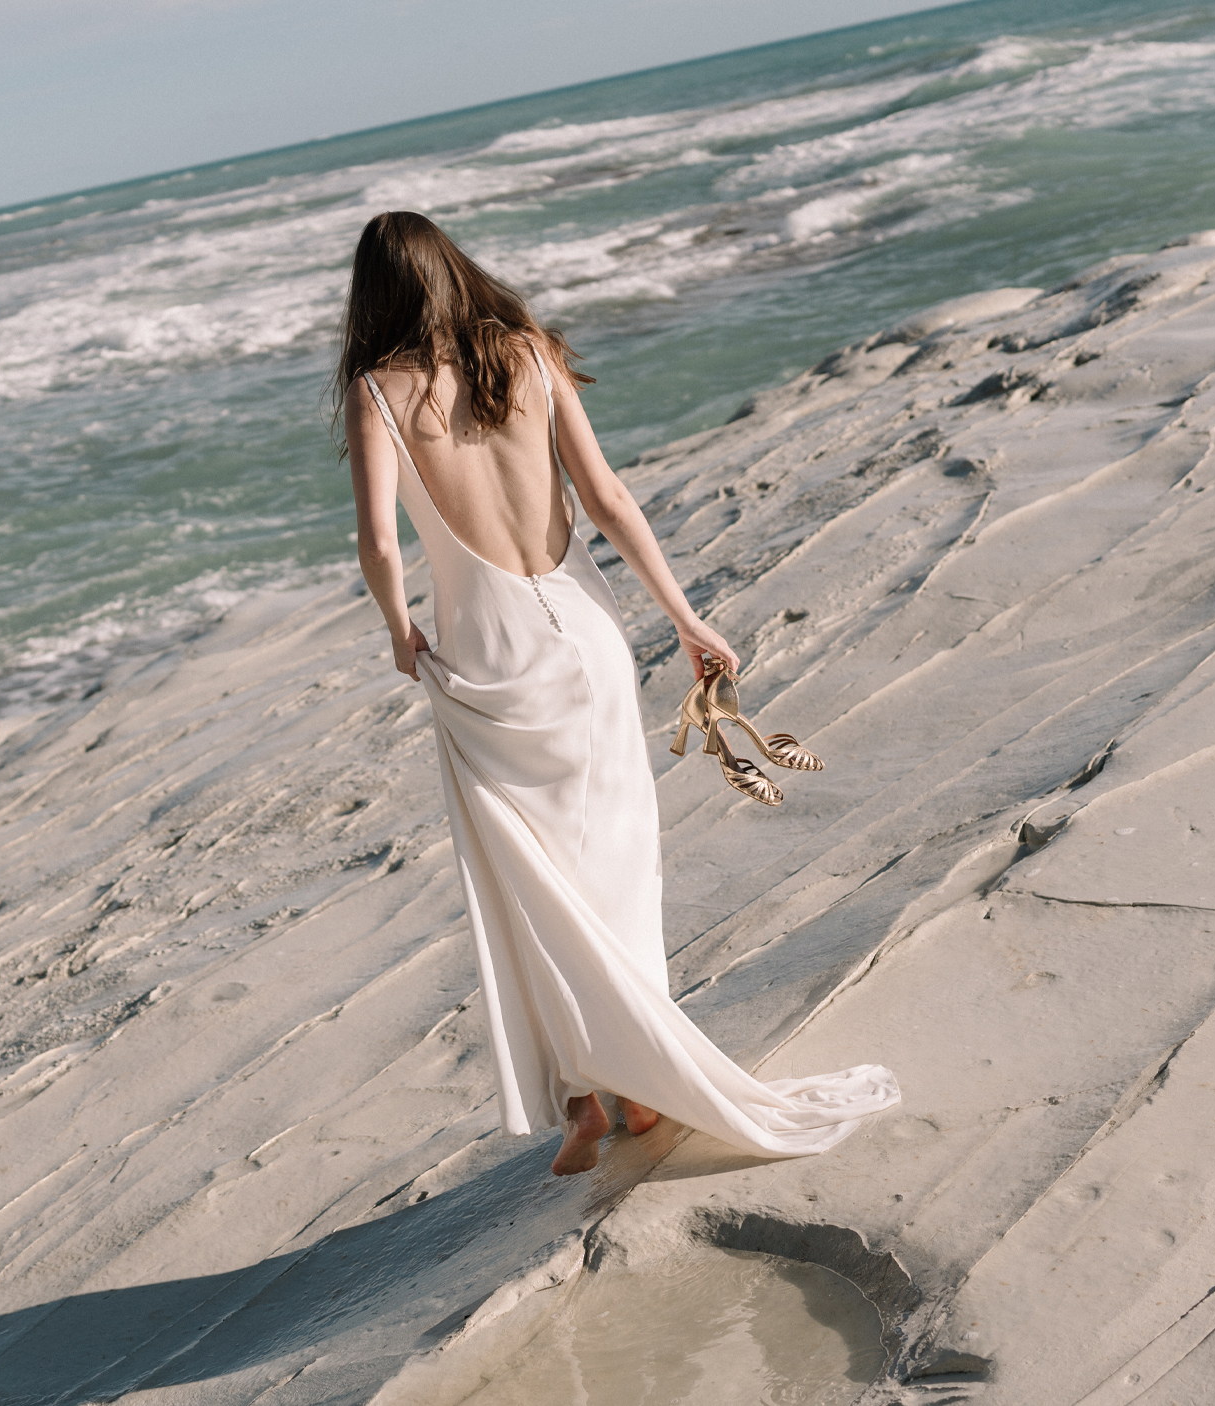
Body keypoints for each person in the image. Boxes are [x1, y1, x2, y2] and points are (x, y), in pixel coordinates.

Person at [338, 211, 900, 1177]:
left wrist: (401, 635)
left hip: (485, 659)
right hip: (586, 639)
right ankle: (636, 1090)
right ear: (452, 270)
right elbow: (608, 498)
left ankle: (582, 1098)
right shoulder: (526, 353)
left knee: (528, 880)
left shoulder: (376, 393)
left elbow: (383, 543)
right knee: (617, 869)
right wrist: (686, 618)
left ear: (374, 295)